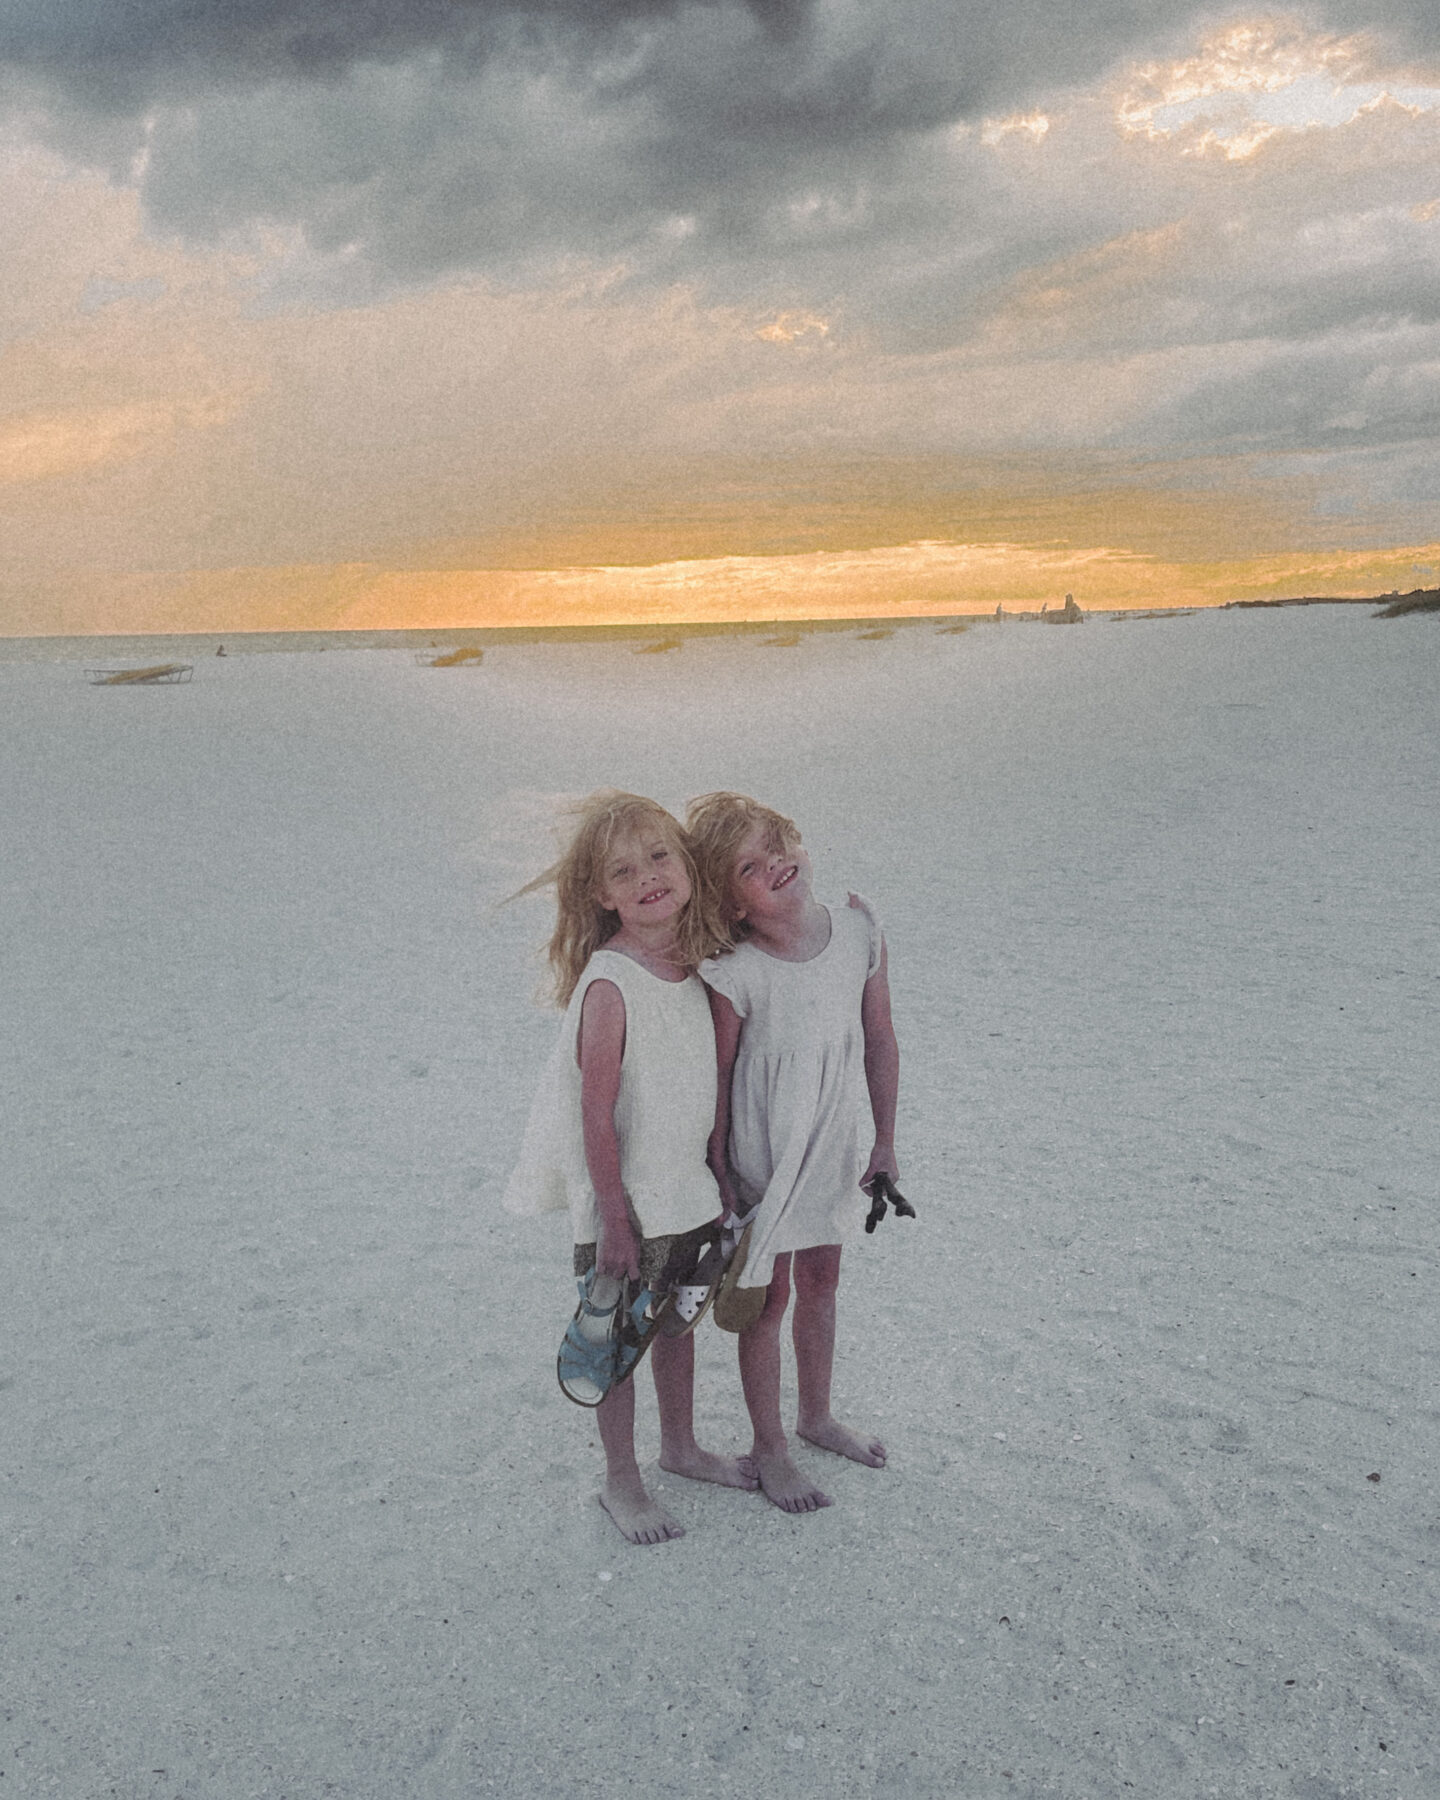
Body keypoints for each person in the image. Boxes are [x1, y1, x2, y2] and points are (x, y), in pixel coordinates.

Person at [504, 791, 757, 1544]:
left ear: (684, 865)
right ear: (599, 894)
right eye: (623, 870)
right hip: (626, 1203)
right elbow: (593, 1111)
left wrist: (717, 1168)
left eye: (659, 857)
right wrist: (613, 1214)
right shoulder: (612, 984)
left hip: (684, 1187)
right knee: (616, 1334)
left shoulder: (690, 965)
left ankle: (678, 1447)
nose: (648, 876)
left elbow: (699, 1085)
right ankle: (621, 1479)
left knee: (674, 1325)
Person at [686, 791, 901, 1514]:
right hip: (765, 1154)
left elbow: (879, 1041)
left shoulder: (859, 933)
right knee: (765, 1301)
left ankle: (816, 1415)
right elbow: (718, 1073)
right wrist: (718, 1167)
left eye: (776, 846)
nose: (774, 865)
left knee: (823, 1281)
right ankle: (770, 1446)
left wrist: (887, 1141)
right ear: (732, 904)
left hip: (834, 1142)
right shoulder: (736, 969)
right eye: (750, 866)